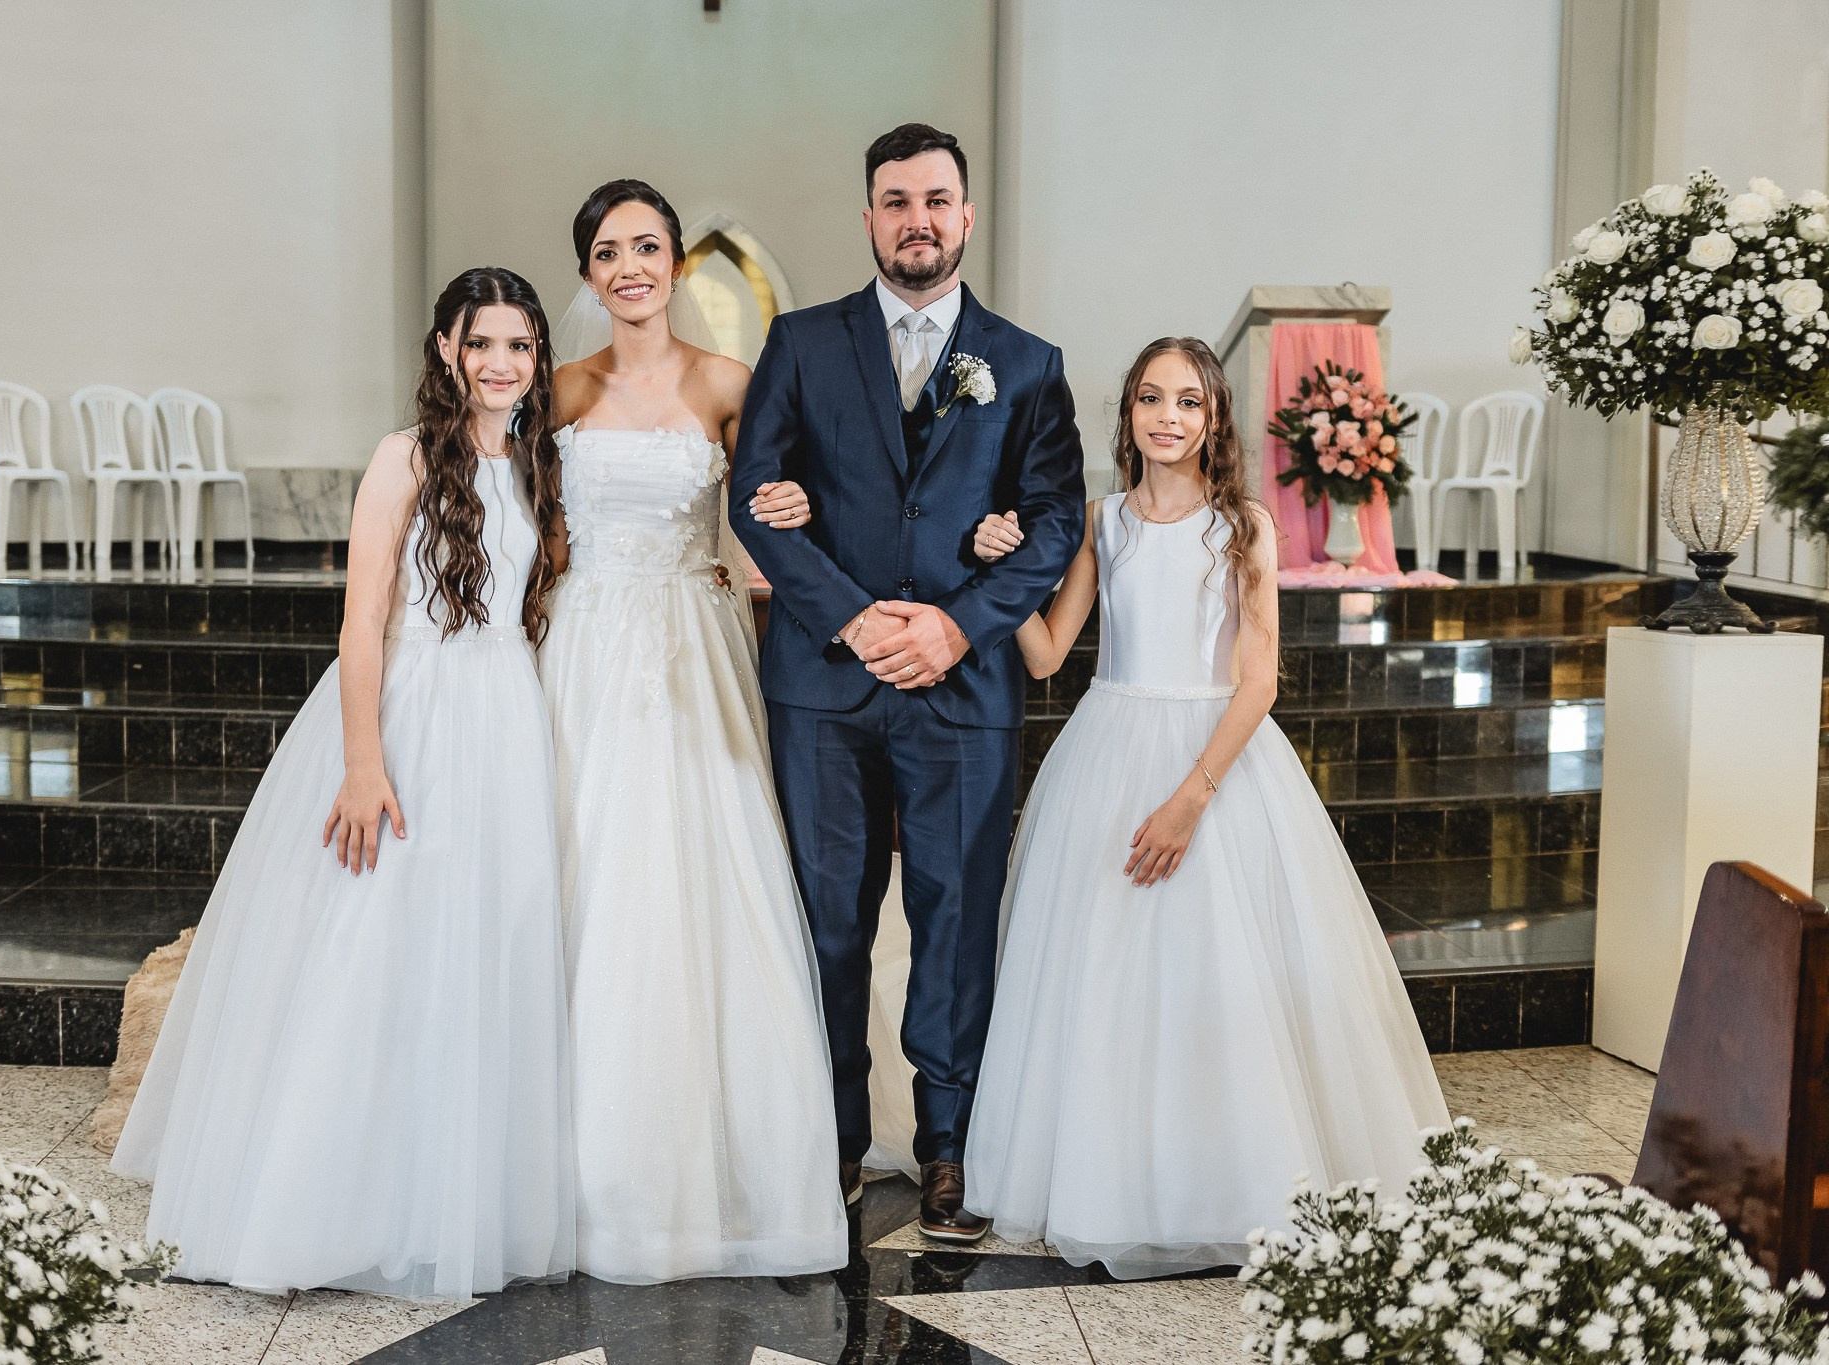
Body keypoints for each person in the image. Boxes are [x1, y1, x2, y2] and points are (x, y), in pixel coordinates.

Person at [111, 268, 575, 1299]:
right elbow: (361, 620)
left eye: (519, 347)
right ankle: (324, 1198)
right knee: (377, 937)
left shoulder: (539, 463)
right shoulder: (403, 458)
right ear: (444, 351)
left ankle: (454, 1190)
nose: (500, 365)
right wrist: (364, 764)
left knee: (482, 942)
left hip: (506, 712)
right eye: (480, 344)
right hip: (412, 708)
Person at [961, 336, 1449, 1277]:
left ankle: (1229, 1182)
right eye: (1151, 398)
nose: (1169, 416)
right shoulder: (1102, 521)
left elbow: (1259, 681)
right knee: (1106, 974)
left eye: (1189, 400)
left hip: (1214, 761)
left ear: (1215, 417)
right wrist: (1001, 575)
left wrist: (1190, 799)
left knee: (1221, 977)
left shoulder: (1245, 527)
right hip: (1106, 749)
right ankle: (1116, 1180)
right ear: (1129, 414)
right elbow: (1048, 653)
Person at [728, 123, 1086, 1243]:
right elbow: (756, 494)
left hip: (959, 693)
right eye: (894, 200)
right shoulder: (797, 342)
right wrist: (850, 615)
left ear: (966, 216)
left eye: (935, 199)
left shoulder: (1023, 364)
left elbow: (1055, 521)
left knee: (953, 920)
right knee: (827, 924)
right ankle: (831, 1139)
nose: (915, 219)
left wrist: (954, 627)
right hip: (823, 692)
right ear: (868, 216)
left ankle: (944, 1152)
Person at [541, 178, 847, 1284]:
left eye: (648, 246)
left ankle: (716, 1153)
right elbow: (532, 529)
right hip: (580, 645)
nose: (630, 267)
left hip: (690, 637)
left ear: (678, 263)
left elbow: (790, 499)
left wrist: (776, 534)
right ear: (586, 273)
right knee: (583, 866)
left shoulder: (731, 382)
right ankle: (568, 1162)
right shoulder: (559, 389)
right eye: (609, 251)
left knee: (697, 873)